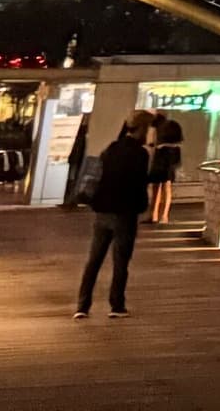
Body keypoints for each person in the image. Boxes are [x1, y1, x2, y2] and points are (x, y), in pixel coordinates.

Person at [74, 112, 154, 316]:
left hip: (103, 211)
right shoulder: (140, 154)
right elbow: (139, 184)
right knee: (120, 262)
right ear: (143, 129)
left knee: (94, 260)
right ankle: (116, 305)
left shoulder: (111, 149)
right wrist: (142, 206)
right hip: (125, 213)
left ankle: (82, 306)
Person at [146, 114, 182, 227]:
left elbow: (157, 143)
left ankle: (154, 215)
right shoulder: (174, 141)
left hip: (162, 157)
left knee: (158, 188)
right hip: (169, 159)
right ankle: (163, 215)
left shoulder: (162, 134)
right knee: (166, 188)